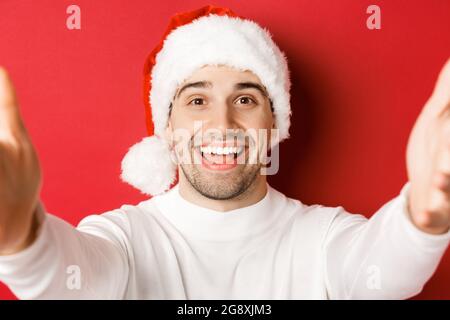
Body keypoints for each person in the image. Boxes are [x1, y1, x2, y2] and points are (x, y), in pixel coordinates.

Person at [0, 5, 449, 300]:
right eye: (197, 101)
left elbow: (377, 271)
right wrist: (21, 240)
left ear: (275, 124)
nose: (222, 125)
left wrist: (424, 219)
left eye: (246, 99)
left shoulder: (325, 237)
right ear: (167, 126)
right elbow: (72, 280)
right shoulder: (122, 238)